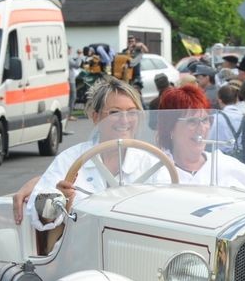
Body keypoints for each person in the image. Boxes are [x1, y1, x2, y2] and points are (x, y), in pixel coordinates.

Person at [19, 78, 156, 230]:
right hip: (81, 249)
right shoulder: (70, 159)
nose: (124, 120)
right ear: (96, 117)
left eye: (132, 113)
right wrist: (57, 200)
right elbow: (40, 216)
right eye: (115, 113)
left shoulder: (151, 163)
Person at [154, 85, 245, 190]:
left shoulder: (224, 164)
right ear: (170, 127)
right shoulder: (156, 170)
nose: (202, 128)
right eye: (192, 121)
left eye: (205, 120)